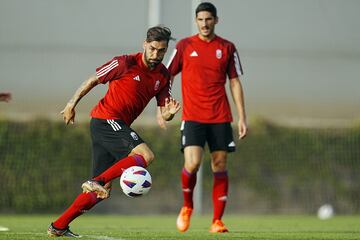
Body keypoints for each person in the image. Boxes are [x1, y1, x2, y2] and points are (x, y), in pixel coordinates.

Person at [48, 26, 180, 238]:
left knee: (101, 193)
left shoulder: (163, 76)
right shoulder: (124, 63)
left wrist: (170, 114)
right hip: (105, 120)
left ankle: (59, 226)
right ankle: (97, 181)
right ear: (144, 45)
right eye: (153, 49)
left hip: (115, 125)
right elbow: (93, 79)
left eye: (161, 51)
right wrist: (72, 103)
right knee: (146, 156)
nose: (156, 55)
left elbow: (164, 113)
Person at [158, 2, 248, 233]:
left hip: (220, 116)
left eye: (209, 19)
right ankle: (187, 206)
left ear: (216, 20)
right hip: (193, 116)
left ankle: (217, 221)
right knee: (193, 163)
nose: (204, 23)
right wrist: (163, 107)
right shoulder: (185, 46)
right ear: (196, 21)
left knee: (219, 165)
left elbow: (235, 82)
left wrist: (242, 117)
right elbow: (166, 75)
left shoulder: (227, 47)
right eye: (200, 19)